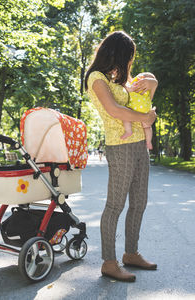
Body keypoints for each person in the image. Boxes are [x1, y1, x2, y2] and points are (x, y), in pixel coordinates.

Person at [85, 31, 158, 282]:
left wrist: (154, 84)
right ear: (116, 53)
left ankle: (131, 253)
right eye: (129, 58)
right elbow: (114, 110)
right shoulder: (96, 78)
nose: (130, 63)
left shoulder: (118, 80)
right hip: (120, 146)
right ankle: (109, 262)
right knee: (115, 205)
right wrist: (146, 119)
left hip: (139, 145)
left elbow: (144, 96)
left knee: (139, 202)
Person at [121, 73, 156, 150]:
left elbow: (127, 88)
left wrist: (128, 87)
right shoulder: (147, 91)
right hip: (145, 110)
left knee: (125, 116)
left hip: (133, 109)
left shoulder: (135, 86)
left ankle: (128, 131)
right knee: (147, 127)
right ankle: (149, 142)